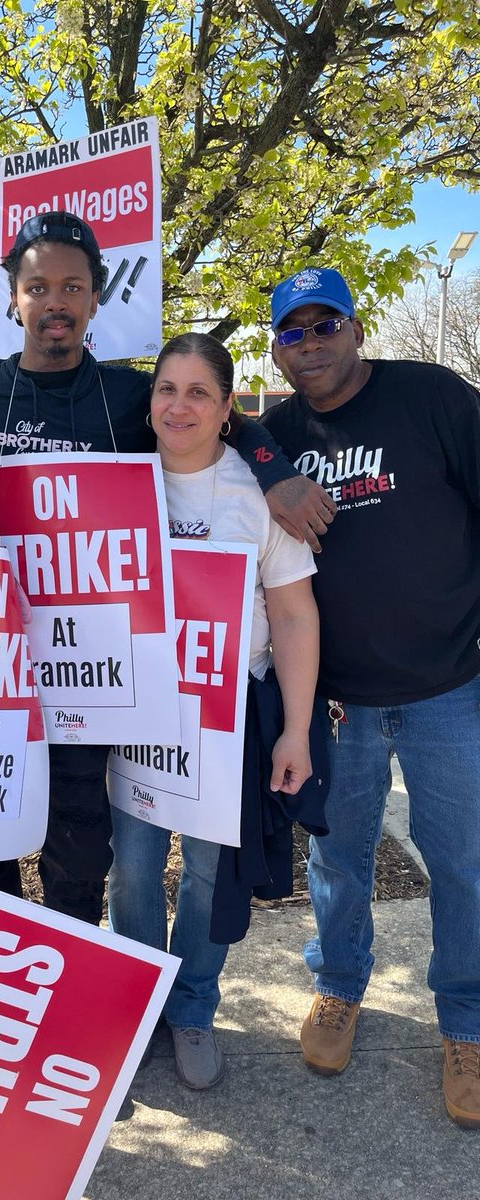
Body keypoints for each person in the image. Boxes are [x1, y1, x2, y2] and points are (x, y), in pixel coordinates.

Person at [0, 212, 334, 927]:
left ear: (95, 300)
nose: (55, 301)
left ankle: (70, 980)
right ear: (14, 299)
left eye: (73, 287)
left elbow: (224, 415)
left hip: (90, 678)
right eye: (38, 286)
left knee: (80, 852)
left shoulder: (128, 397)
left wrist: (272, 473)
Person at [262, 266, 480, 1128]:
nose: (311, 344)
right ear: (276, 349)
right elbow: (217, 433)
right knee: (340, 857)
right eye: (293, 332)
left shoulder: (434, 398)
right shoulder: (274, 434)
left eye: (326, 325)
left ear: (356, 327)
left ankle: (466, 1023)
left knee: (463, 865)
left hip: (448, 687)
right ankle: (340, 985)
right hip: (337, 701)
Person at [107, 333, 320, 1089]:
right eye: (168, 389)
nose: (180, 405)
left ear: (229, 409)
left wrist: (295, 730)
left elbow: (294, 617)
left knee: (204, 873)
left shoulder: (255, 498)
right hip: (134, 722)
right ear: (151, 401)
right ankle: (137, 1003)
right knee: (132, 872)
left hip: (224, 724)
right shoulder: (116, 482)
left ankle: (193, 1005)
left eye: (200, 392)